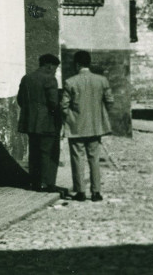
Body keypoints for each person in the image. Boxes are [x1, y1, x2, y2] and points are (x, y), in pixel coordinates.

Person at [61, 50, 114, 202]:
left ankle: (80, 192)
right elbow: (109, 100)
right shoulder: (101, 80)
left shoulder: (70, 82)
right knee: (94, 159)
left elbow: (64, 105)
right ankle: (96, 192)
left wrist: (68, 118)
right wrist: (101, 114)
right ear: (89, 63)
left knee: (78, 159)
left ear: (77, 64)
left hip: (76, 126)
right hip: (96, 126)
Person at [17, 53, 62, 193]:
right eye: (55, 68)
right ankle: (46, 183)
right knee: (48, 153)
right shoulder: (50, 79)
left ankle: (35, 182)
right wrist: (58, 115)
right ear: (49, 66)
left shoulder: (26, 78)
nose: (55, 71)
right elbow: (53, 103)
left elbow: (20, 99)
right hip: (47, 123)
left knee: (34, 152)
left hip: (30, 122)